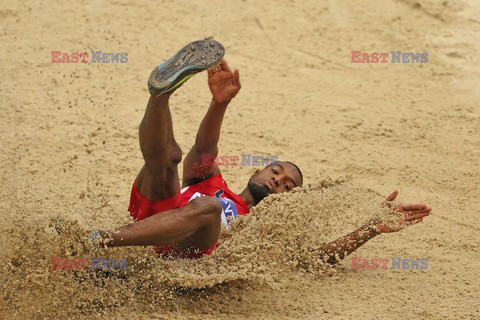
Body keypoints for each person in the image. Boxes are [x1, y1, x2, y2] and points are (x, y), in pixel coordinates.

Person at [92, 40, 432, 263]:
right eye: (276, 171)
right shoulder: (212, 181)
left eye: (287, 185)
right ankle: (161, 93)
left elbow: (318, 257)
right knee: (168, 159)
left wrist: (371, 228)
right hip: (150, 220)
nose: (278, 181)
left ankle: (98, 241)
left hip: (184, 251)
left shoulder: (264, 232)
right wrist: (218, 104)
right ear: (255, 173)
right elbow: (206, 148)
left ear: (288, 199)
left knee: (208, 208)